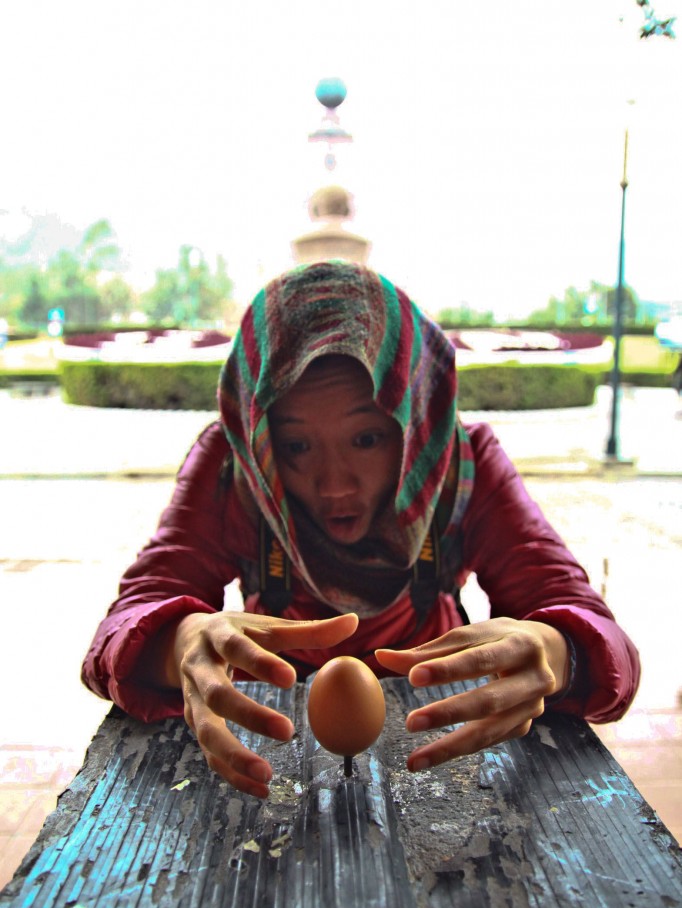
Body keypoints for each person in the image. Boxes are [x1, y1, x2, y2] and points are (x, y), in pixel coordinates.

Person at [82, 261, 640, 799]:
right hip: (271, 750)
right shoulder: (234, 469)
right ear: (262, 441)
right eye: (297, 446)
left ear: (415, 422)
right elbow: (125, 624)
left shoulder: (462, 466)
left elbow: (602, 637)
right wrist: (179, 641)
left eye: (367, 438)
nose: (334, 485)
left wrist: (554, 650)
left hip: (445, 746)